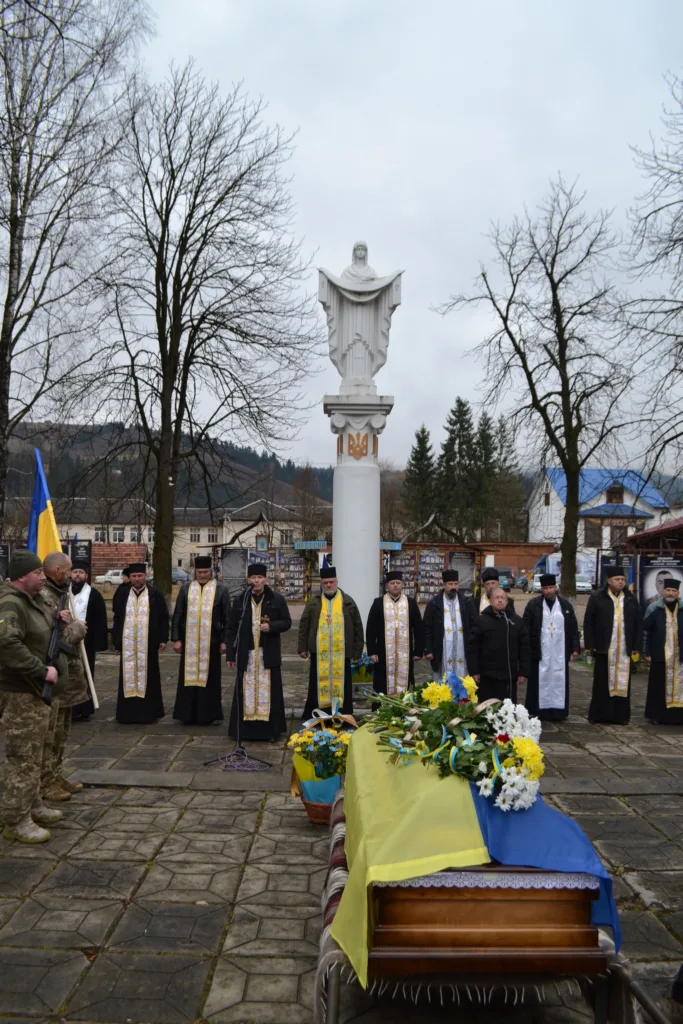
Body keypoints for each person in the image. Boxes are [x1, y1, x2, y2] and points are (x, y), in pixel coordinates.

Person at [0, 550, 68, 842]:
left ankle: (33, 804)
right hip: (21, 692)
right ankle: (15, 820)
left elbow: (40, 625)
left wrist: (58, 616)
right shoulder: (10, 605)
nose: (43, 577)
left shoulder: (33, 600)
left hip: (35, 694)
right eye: (37, 573)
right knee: (22, 758)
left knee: (35, 753)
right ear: (20, 577)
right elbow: (7, 644)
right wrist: (41, 670)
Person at [39, 552, 88, 803]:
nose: (71, 574)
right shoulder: (45, 597)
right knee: (51, 733)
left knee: (62, 732)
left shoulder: (57, 593)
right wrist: (78, 629)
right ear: (57, 570)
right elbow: (53, 638)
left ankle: (56, 775)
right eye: (68, 570)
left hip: (66, 676)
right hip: (53, 675)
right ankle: (46, 781)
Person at [226, 563, 291, 742]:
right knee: (244, 691)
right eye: (253, 578)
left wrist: (271, 626)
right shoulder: (241, 600)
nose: (256, 581)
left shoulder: (276, 599)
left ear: (266, 579)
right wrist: (231, 655)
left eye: (260, 578)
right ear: (248, 580)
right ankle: (244, 731)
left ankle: (270, 731)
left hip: (267, 654)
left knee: (269, 691)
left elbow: (287, 622)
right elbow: (232, 628)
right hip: (247, 655)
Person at [298, 566, 364, 718]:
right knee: (317, 684)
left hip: (342, 653)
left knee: (344, 685)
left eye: (331, 582)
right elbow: (304, 625)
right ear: (321, 583)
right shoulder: (314, 602)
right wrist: (302, 647)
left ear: (337, 582)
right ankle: (317, 715)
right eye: (325, 582)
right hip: (319, 653)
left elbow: (358, 627)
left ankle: (343, 714)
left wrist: (357, 651)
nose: (329, 585)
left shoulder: (347, 601)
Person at [172, 556, 231, 726]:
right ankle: (186, 714)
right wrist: (176, 638)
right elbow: (178, 615)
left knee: (210, 679)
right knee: (187, 679)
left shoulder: (221, 590)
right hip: (189, 642)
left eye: (205, 572)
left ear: (211, 571)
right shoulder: (186, 589)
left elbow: (227, 617)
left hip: (211, 642)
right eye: (199, 572)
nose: (202, 575)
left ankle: (208, 715)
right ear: (195, 572)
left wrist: (225, 641)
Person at [584, 566, 642, 725]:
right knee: (602, 682)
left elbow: (638, 623)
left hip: (624, 649)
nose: (621, 582)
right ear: (609, 581)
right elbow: (589, 621)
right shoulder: (597, 597)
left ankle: (621, 716)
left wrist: (637, 645)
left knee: (623, 682)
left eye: (623, 580)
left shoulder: (630, 599)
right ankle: (599, 715)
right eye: (617, 580)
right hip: (604, 647)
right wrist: (590, 643)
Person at [113, 563, 169, 724]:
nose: (137, 579)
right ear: (130, 577)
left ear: (145, 576)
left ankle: (149, 713)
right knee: (127, 676)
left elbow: (163, 618)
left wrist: (163, 639)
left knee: (149, 677)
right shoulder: (123, 593)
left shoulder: (154, 594)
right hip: (128, 644)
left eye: (140, 576)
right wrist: (117, 641)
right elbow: (117, 618)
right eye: (134, 576)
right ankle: (127, 714)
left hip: (149, 644)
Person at [522, 573, 580, 721]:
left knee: (558, 678)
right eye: (546, 588)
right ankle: (537, 711)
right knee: (538, 681)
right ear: (542, 589)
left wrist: (575, 647)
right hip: (540, 652)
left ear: (556, 587)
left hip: (559, 653)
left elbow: (573, 628)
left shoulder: (565, 606)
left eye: (551, 587)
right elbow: (525, 629)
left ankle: (558, 712)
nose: (548, 591)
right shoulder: (533, 605)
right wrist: (527, 649)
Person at [467, 586, 529, 703]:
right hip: (487, 676)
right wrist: (474, 670)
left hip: (509, 676)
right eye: (497, 598)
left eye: (502, 598)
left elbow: (525, 648)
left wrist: (523, 672)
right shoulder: (481, 621)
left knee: (507, 711)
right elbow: (472, 648)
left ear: (506, 601)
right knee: (487, 710)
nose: (500, 600)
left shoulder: (516, 621)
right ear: (490, 601)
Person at [365, 571, 423, 695]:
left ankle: (405, 709)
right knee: (382, 682)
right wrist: (372, 651)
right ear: (387, 585)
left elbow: (419, 628)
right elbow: (371, 629)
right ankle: (380, 711)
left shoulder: (410, 603)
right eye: (392, 583)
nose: (395, 585)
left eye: (398, 583)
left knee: (406, 683)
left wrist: (418, 651)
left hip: (405, 654)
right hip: (383, 653)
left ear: (402, 584)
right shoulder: (378, 603)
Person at [70, 559, 108, 722]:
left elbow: (101, 620)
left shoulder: (94, 595)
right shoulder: (65, 593)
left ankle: (84, 708)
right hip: (66, 642)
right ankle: (70, 708)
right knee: (69, 675)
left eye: (81, 573)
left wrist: (100, 643)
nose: (77, 575)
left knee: (85, 674)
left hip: (87, 642)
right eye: (75, 572)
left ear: (86, 575)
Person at [643, 578, 683, 725]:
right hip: (660, 654)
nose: (670, 593)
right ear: (662, 591)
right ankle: (656, 715)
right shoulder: (654, 608)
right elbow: (646, 632)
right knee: (658, 685)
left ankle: (678, 716)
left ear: (678, 593)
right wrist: (645, 652)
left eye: (674, 591)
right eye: (668, 590)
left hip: (680, 656)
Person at [423, 570, 470, 680]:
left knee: (463, 680)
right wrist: (428, 649)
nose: (453, 587)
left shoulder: (466, 602)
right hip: (441, 650)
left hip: (462, 650)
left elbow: (473, 625)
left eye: (456, 584)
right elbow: (427, 627)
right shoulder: (434, 604)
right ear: (444, 585)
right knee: (442, 682)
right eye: (450, 584)